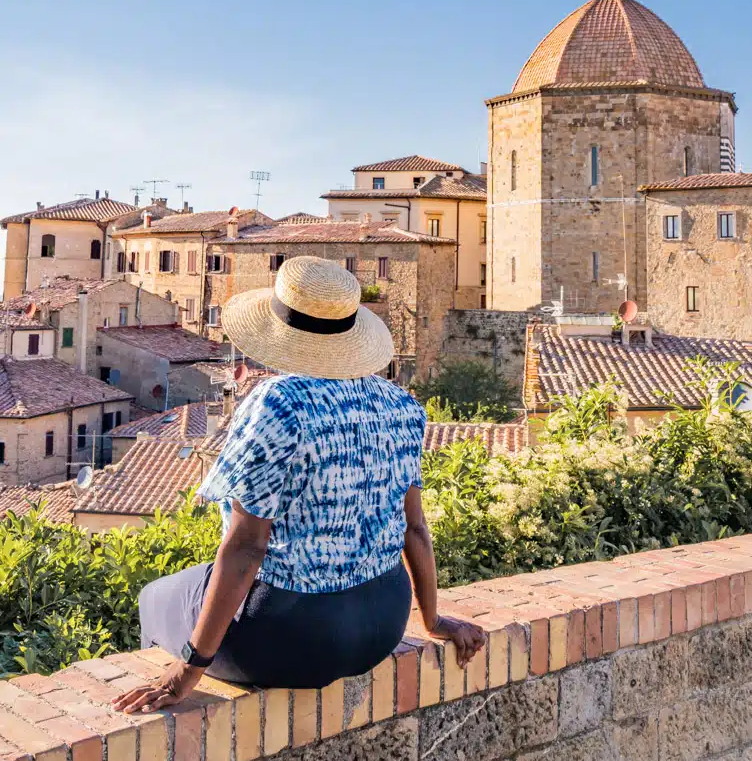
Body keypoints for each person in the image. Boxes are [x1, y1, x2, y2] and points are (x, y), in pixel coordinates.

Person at [113, 255, 485, 714]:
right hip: (383, 623)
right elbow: (415, 530)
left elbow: (247, 548)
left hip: (293, 635)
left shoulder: (278, 403)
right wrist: (432, 620)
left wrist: (186, 671)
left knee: (154, 599)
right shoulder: (401, 406)